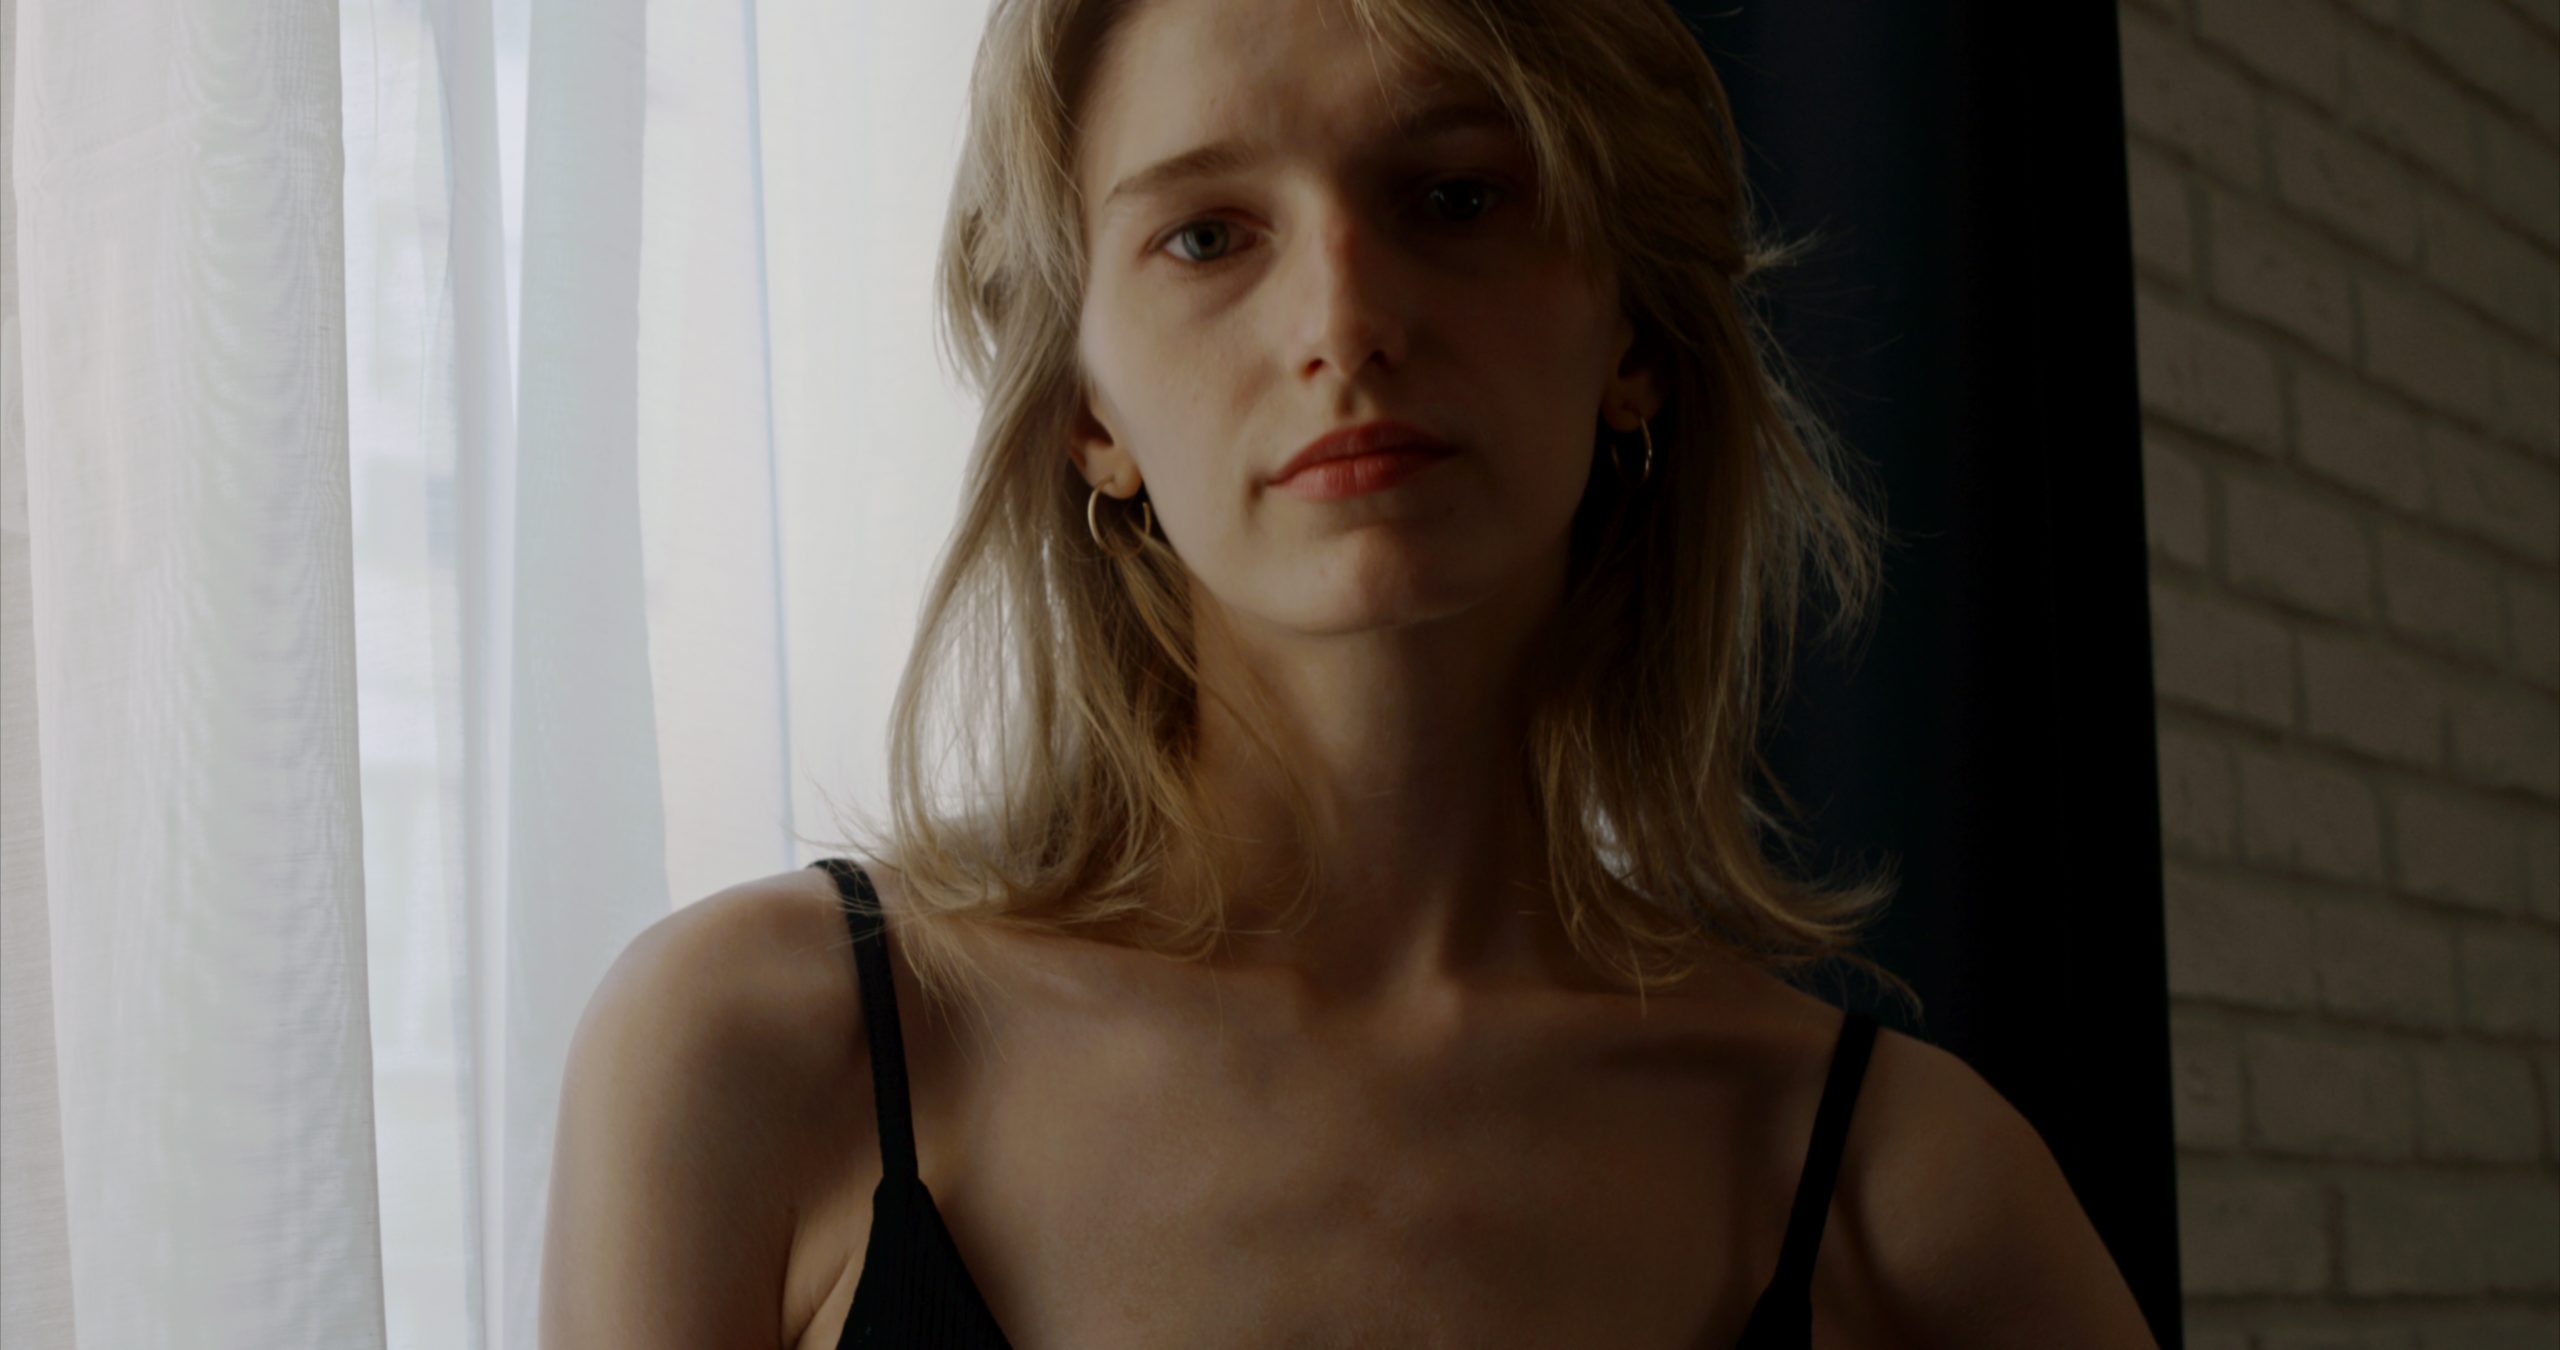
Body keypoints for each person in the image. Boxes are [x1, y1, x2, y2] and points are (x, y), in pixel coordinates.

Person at [539, 0, 2161, 1345]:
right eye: (1204, 235)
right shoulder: (750, 1054)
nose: (1346, 316)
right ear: (1085, 409)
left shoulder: (1895, 1185)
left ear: (1635, 335)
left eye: (1455, 197)